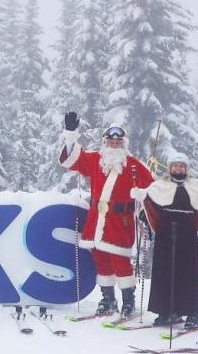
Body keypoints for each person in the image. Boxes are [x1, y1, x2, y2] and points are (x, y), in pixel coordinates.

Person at [58, 112, 153, 319]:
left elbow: (153, 191)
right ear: (105, 142)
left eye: (118, 141)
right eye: (111, 141)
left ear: (124, 144)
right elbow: (71, 159)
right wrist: (70, 135)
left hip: (121, 221)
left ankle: (129, 302)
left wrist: (143, 199)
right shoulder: (95, 160)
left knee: (121, 262)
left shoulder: (135, 166)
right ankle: (108, 299)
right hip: (96, 219)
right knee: (100, 260)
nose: (114, 144)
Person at [135, 153, 198, 329]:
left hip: (186, 231)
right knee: (164, 271)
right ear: (170, 168)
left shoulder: (195, 186)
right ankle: (166, 311)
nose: (178, 169)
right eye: (175, 165)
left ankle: (194, 313)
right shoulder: (160, 185)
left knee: (188, 272)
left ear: (186, 169)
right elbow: (150, 202)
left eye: (182, 166)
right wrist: (141, 198)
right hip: (165, 230)